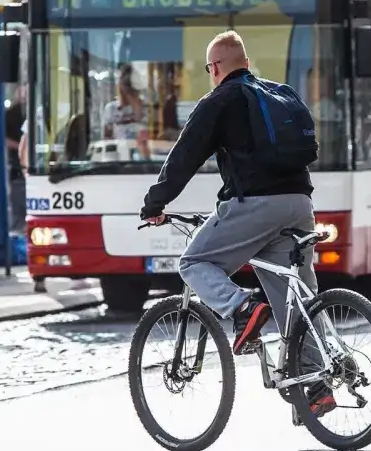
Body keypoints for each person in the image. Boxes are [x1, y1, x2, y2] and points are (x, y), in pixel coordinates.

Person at [140, 30, 336, 415]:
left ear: (214, 68)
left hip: (255, 205)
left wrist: (155, 203)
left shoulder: (220, 100)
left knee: (193, 262)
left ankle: (243, 307)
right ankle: (317, 385)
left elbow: (184, 157)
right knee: (297, 301)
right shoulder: (281, 94)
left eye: (208, 68)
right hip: (300, 204)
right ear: (246, 63)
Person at [4, 86, 27, 232]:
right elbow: (3, 139)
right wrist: (21, 147)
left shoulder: (32, 113)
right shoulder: (11, 115)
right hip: (17, 168)